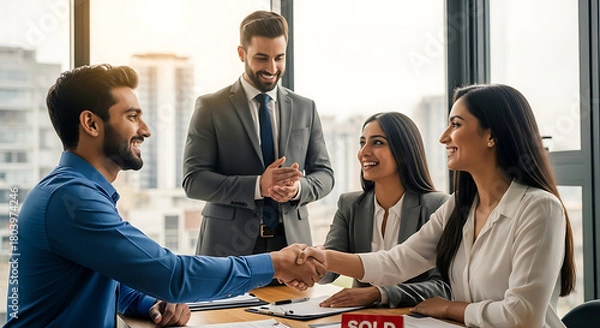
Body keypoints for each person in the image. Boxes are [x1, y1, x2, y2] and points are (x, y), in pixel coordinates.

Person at [4, 64, 326, 328]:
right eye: (131, 116)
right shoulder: (70, 200)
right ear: (91, 123)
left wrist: (150, 303)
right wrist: (276, 263)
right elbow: (173, 275)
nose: (145, 129)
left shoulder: (75, 192)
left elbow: (113, 284)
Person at [299, 84, 576, 328]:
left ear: (490, 136)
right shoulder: (460, 206)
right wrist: (325, 257)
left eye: (456, 125)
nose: (444, 137)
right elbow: (398, 262)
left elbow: (522, 317)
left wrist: (449, 308)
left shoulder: (539, 208)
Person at [182, 10, 334, 257]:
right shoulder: (211, 107)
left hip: (292, 246)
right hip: (227, 248)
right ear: (242, 53)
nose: (272, 68)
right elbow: (193, 181)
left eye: (279, 58)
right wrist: (257, 186)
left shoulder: (306, 108)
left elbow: (325, 175)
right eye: (262, 58)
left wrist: (298, 189)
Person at [318, 112, 451, 308]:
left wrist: (379, 294)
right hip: (361, 319)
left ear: (403, 151)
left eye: (377, 143)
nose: (364, 151)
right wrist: (307, 266)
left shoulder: (438, 206)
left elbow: (443, 287)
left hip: (412, 317)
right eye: (362, 142)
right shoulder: (349, 204)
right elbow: (329, 269)